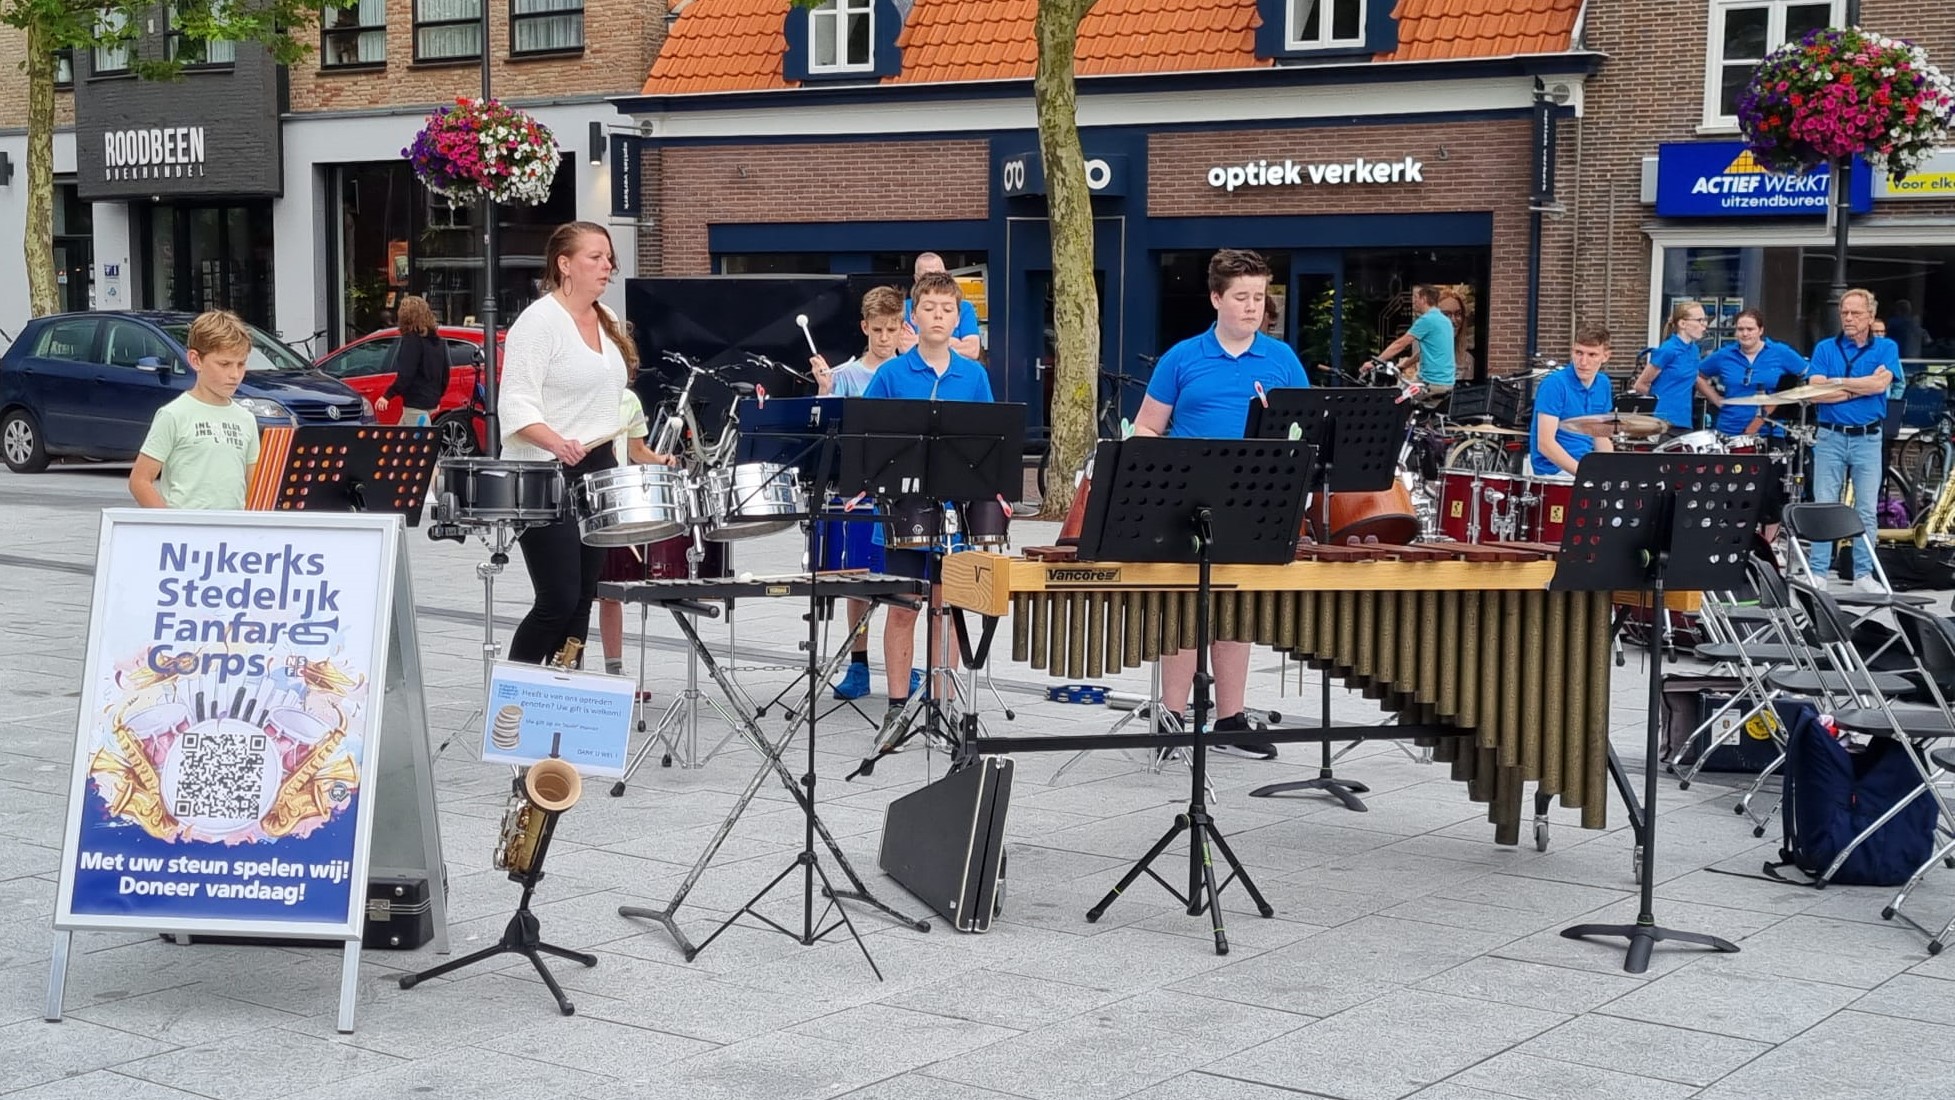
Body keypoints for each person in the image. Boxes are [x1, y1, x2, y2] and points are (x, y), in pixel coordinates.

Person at [1132, 248, 1308, 761]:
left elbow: (1307, 430)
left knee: (1235, 611)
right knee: (1187, 611)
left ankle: (1230, 718)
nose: (1253, 307)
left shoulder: (1282, 360)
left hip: (1255, 499)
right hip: (1188, 501)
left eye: (1260, 297)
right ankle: (1171, 717)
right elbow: (1147, 426)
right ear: (1216, 298)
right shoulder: (1182, 358)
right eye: (1242, 297)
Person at [862, 270, 994, 741]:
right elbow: (866, 437)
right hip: (904, 511)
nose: (938, 316)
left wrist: (994, 492)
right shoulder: (891, 374)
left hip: (955, 512)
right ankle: (897, 707)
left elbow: (989, 442)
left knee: (947, 606)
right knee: (904, 607)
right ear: (912, 317)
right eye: (929, 308)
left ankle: (943, 705)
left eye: (947, 310)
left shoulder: (973, 376)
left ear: (958, 319)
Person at [498, 221, 634, 665]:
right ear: (564, 264)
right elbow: (515, 403)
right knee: (557, 597)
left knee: (582, 600)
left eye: (608, 257)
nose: (607, 265)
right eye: (595, 257)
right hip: (544, 471)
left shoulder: (607, 319)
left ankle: (561, 701)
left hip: (598, 468)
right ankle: (514, 692)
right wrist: (557, 442)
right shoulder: (538, 323)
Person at [811, 285, 905, 699]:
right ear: (865, 327)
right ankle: (859, 664)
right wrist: (824, 390)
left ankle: (904, 665)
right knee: (857, 582)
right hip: (859, 493)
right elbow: (826, 431)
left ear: (903, 327)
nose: (885, 338)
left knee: (903, 580)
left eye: (892, 329)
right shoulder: (846, 376)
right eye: (878, 330)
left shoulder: (909, 372)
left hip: (901, 493)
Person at [1806, 287, 1901, 591]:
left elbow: (1879, 386)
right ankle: (1819, 571)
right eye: (1844, 312)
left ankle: (1863, 574)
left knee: (1866, 509)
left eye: (1855, 313)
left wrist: (1840, 383)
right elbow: (1815, 387)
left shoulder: (1887, 348)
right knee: (1824, 504)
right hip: (1830, 436)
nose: (1848, 318)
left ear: (1870, 316)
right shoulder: (1824, 348)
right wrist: (1861, 386)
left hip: (1867, 438)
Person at [595, 376, 685, 680]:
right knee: (577, 594)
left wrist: (660, 460)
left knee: (612, 590)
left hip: (616, 500)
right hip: (585, 495)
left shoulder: (629, 400)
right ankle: (570, 667)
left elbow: (635, 450)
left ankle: (614, 669)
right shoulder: (581, 394)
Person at [128, 310, 261, 510]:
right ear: (196, 360)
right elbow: (139, 481)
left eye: (241, 364)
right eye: (224, 364)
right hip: (187, 533)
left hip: (233, 533)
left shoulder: (246, 419)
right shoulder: (174, 415)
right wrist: (170, 524)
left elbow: (255, 485)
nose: (234, 374)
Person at [1696, 309, 1808, 438]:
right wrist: (1716, 399)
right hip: (1729, 427)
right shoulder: (1724, 355)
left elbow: (1807, 375)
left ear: (1760, 330)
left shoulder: (1780, 352)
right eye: (1740, 329)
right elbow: (1698, 375)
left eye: (1750, 329)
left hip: (1770, 430)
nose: (1745, 334)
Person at [1530, 325, 1616, 477]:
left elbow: (1600, 435)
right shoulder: (1554, 384)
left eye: (1592, 355)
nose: (1583, 362)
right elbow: (1545, 444)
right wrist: (1585, 474)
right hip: (1554, 472)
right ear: (1572, 351)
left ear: (1606, 356)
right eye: (1579, 353)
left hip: (1586, 465)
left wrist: (1610, 470)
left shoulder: (1604, 384)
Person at [374, 295, 449, 428]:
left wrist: (388, 395)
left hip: (416, 403)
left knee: (418, 445)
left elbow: (406, 374)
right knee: (401, 443)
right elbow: (445, 375)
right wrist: (438, 395)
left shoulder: (411, 340)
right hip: (431, 401)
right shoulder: (439, 342)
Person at [1632, 301, 1707, 432]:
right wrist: (1661, 402)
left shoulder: (1694, 350)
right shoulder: (1668, 349)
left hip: (1684, 420)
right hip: (1662, 421)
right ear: (1682, 324)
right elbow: (1640, 384)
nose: (1704, 325)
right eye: (1699, 320)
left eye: (1705, 320)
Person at [1375, 284, 1456, 402]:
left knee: (1395, 400)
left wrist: (1375, 361)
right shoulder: (1445, 321)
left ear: (1424, 299)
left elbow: (1400, 344)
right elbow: (1425, 352)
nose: (1414, 301)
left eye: (1416, 297)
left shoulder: (1426, 320)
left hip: (1431, 383)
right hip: (1446, 382)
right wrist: (1403, 365)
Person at [898, 253, 982, 359]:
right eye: (926, 277)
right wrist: (954, 342)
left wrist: (918, 340)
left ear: (946, 274)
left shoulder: (965, 307)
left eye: (938, 276)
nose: (933, 282)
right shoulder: (903, 308)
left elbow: (972, 350)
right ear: (916, 278)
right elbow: (904, 346)